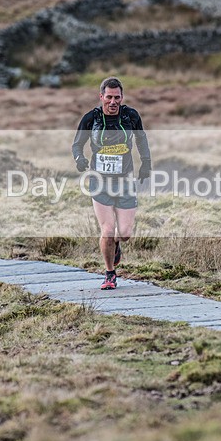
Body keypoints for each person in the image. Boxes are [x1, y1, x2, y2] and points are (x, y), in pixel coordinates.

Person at [72, 77, 151, 290]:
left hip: (125, 182)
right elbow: (77, 144)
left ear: (122, 97)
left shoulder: (130, 116)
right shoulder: (91, 119)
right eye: (109, 97)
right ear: (101, 97)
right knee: (107, 230)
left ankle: (115, 244)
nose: (113, 102)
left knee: (124, 233)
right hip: (99, 182)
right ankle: (109, 274)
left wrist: (146, 163)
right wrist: (79, 159)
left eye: (117, 97)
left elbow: (141, 139)